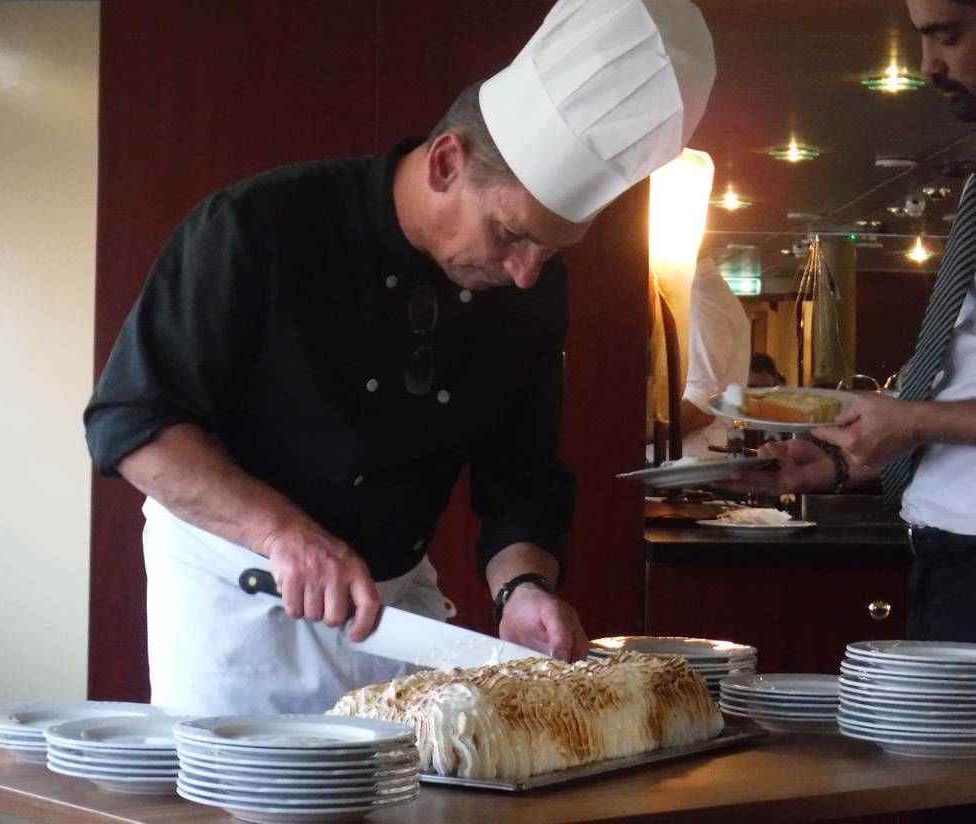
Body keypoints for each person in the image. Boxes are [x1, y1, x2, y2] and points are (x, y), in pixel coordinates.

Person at [83, 0, 716, 715]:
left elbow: (523, 475)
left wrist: (523, 588)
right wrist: (283, 533)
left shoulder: (531, 289)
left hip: (396, 616)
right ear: (447, 161)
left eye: (551, 247)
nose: (527, 271)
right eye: (511, 233)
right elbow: (131, 423)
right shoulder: (259, 229)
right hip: (236, 599)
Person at [726, 0, 976, 648]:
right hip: (943, 562)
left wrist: (914, 422)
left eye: (946, 35)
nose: (929, 65)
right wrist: (843, 462)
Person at [680, 256, 751, 458]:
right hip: (691, 459)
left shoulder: (702, 296)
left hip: (692, 462)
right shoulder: (701, 292)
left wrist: (632, 433)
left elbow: (701, 403)